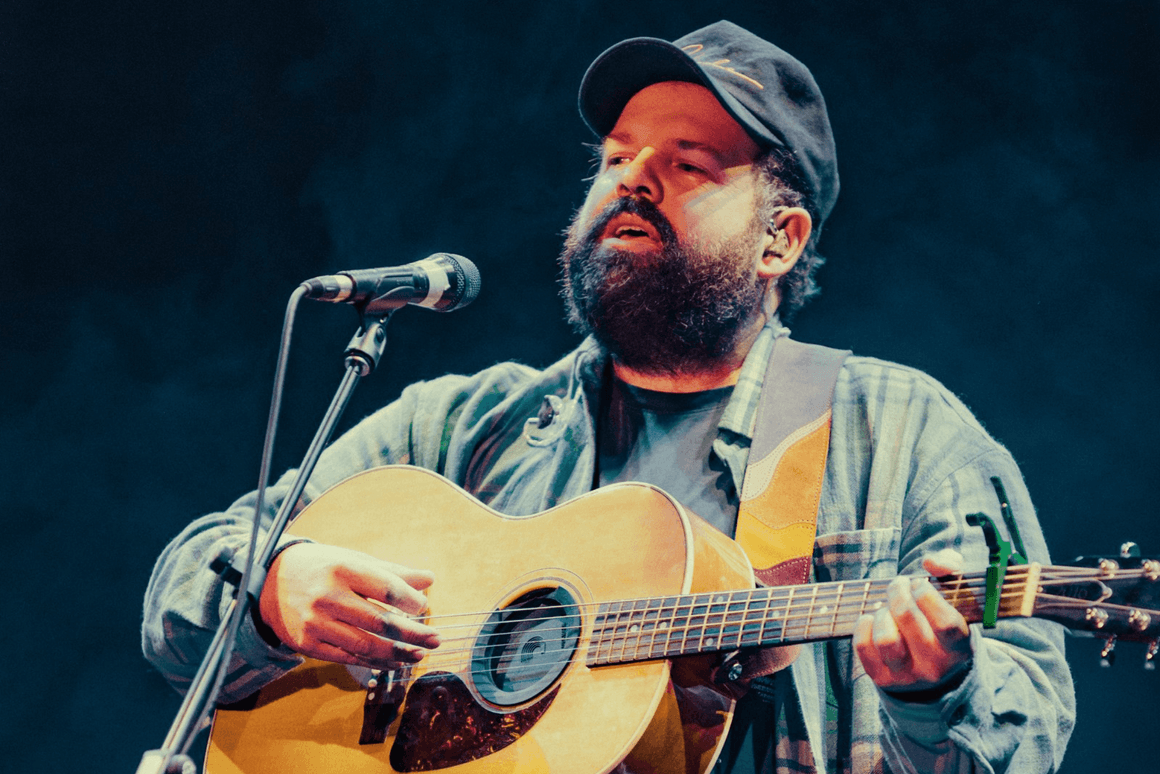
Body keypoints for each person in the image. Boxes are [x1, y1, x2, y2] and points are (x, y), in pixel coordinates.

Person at [142, 20, 1075, 774]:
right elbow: (178, 593)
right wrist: (274, 589)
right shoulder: (464, 426)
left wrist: (934, 691)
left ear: (780, 240)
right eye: (617, 155)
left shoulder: (898, 432)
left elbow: (1023, 733)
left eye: (689, 163)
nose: (633, 177)